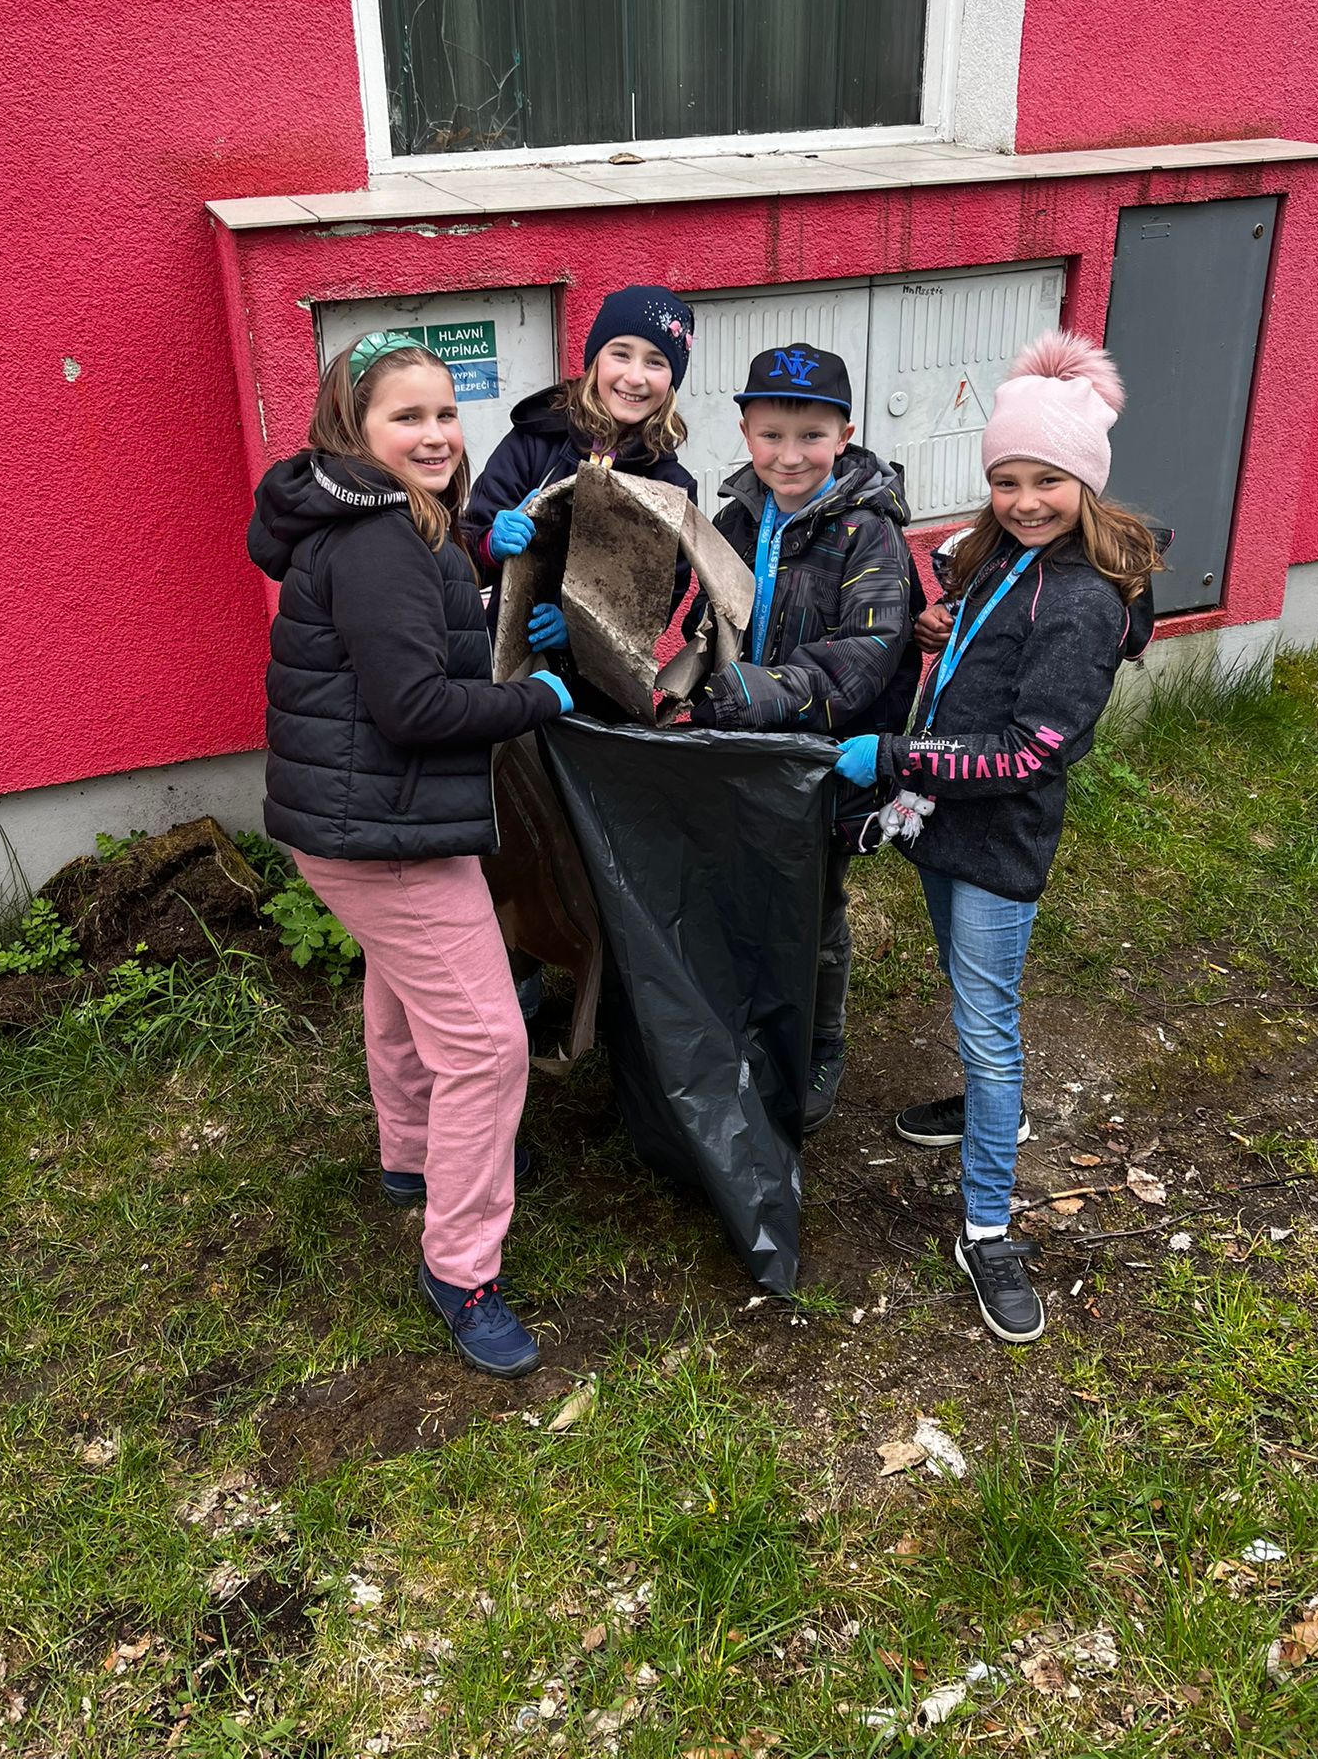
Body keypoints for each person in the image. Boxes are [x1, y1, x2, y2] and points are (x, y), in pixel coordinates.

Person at [246, 331, 574, 1380]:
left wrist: (490, 590)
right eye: (407, 417)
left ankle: (413, 1157)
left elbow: (405, 647)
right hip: (386, 832)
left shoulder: (382, 518)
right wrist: (537, 696)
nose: (436, 436)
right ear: (353, 428)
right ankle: (461, 1268)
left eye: (445, 413)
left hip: (359, 820)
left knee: (400, 991)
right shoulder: (380, 539)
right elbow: (417, 707)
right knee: (486, 1045)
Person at [834, 329, 1166, 1345]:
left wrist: (892, 756)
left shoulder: (1081, 601)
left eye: (1048, 481)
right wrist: (942, 632)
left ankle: (987, 1225)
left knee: (989, 1024)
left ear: (1087, 482)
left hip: (996, 842)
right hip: (944, 826)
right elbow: (985, 642)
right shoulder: (1004, 560)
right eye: (1006, 480)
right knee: (964, 986)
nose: (1024, 500)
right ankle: (995, 1107)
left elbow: (1030, 753)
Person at [689, 344, 921, 1133]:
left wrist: (771, 691)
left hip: (821, 759)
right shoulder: (733, 518)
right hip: (742, 753)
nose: (790, 456)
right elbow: (712, 619)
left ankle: (821, 1040)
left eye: (812, 436)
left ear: (845, 435)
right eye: (772, 435)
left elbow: (870, 648)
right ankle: (753, 1017)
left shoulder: (868, 533)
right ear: (745, 432)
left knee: (814, 911)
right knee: (742, 891)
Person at [464, 284, 699, 620]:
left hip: (595, 658)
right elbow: (464, 551)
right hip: (506, 647)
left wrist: (580, 630)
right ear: (595, 361)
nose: (635, 377)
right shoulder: (534, 442)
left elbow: (656, 606)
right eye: (621, 354)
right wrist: (489, 545)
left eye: (655, 362)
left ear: (672, 379)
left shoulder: (673, 488)